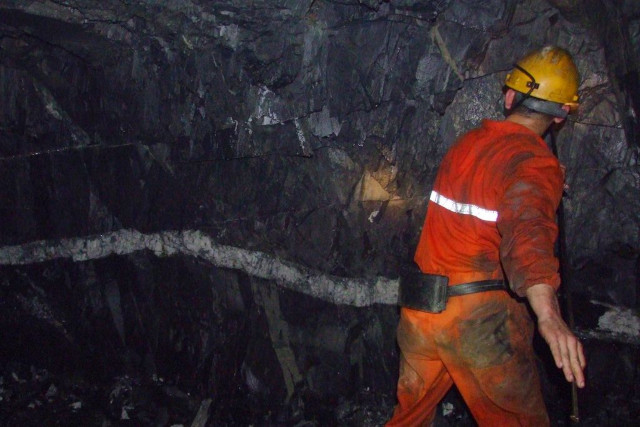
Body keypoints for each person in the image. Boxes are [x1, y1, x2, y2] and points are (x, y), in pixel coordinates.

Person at [386, 46, 586, 426]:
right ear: (561, 114)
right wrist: (549, 315)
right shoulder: (533, 162)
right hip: (478, 325)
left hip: (420, 314)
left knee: (408, 419)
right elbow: (529, 234)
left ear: (510, 96)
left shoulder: (465, 145)